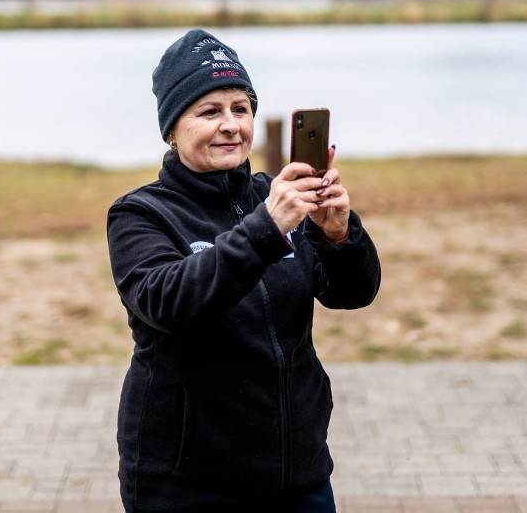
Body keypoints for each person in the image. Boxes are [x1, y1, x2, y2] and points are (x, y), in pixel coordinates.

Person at [106, 28, 381, 513]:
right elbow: (168, 302)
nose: (231, 125)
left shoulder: (276, 198)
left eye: (241, 108)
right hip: (186, 486)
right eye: (209, 112)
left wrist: (339, 234)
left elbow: (353, 292)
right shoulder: (140, 215)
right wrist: (267, 227)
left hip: (298, 476)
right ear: (172, 128)